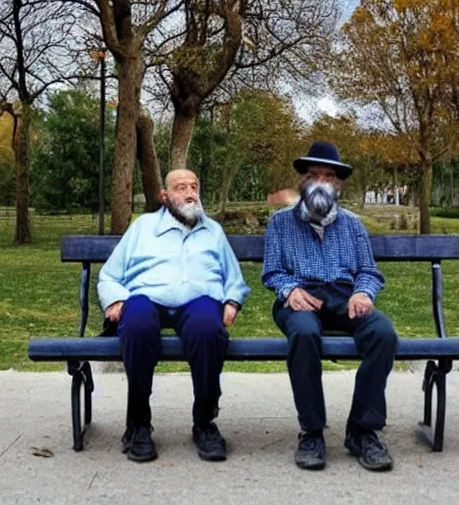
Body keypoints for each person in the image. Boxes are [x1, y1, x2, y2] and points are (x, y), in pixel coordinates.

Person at [262, 141, 398, 472]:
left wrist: (363, 293)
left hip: (344, 297)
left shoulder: (352, 224)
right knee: (305, 334)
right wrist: (289, 289)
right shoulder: (281, 222)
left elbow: (368, 271)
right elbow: (272, 272)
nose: (320, 181)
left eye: (328, 176)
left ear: (337, 184)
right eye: (313, 175)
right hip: (299, 297)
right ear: (303, 182)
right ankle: (311, 432)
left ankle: (363, 431)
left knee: (383, 333)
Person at [97, 169, 250, 463]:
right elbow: (109, 275)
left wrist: (232, 301)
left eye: (195, 186)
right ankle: (138, 424)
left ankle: (205, 423)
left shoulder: (213, 231)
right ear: (165, 197)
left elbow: (234, 278)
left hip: (198, 300)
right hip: (147, 297)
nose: (191, 193)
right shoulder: (143, 227)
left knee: (208, 328)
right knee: (138, 324)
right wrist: (115, 300)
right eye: (181, 188)